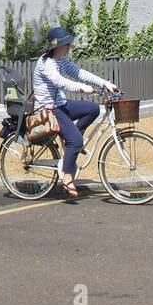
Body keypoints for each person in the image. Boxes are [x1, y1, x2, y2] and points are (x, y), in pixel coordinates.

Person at [33, 27, 117, 197]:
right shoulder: (47, 63)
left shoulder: (61, 59)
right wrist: (82, 88)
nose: (68, 48)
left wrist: (104, 84)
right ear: (55, 47)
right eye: (65, 45)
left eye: (69, 44)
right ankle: (67, 176)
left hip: (61, 104)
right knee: (76, 141)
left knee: (92, 109)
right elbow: (61, 82)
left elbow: (79, 73)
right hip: (49, 109)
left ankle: (72, 144)